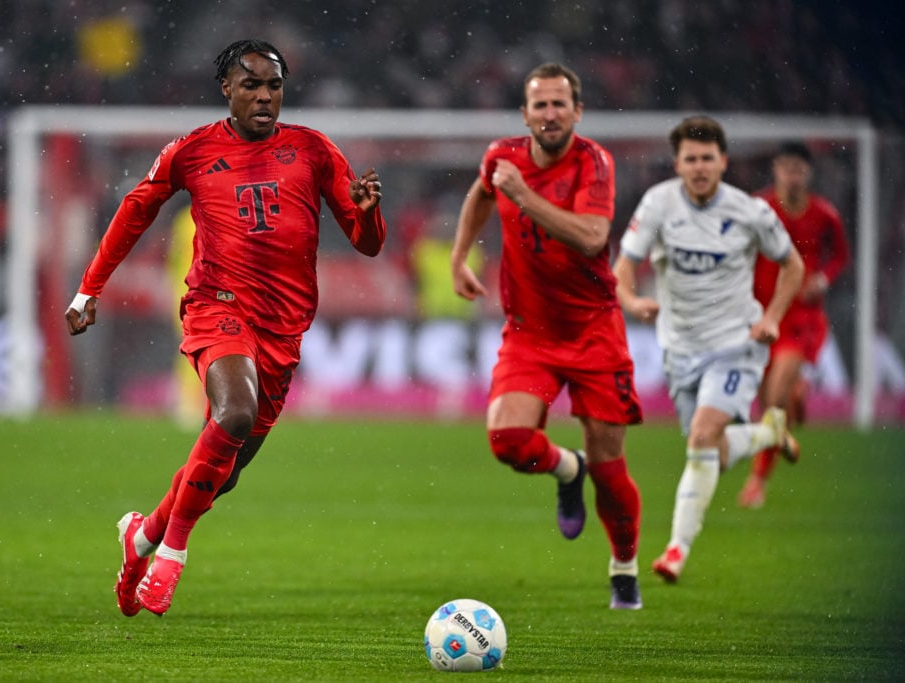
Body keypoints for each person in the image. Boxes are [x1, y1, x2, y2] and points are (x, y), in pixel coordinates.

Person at [65, 39, 386, 616]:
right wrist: (90, 288)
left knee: (224, 475)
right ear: (227, 90)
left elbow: (368, 245)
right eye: (252, 85)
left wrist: (367, 214)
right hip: (218, 307)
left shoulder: (312, 150)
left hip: (284, 329)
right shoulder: (192, 151)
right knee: (233, 412)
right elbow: (136, 210)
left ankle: (141, 537)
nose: (265, 97)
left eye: (274, 86)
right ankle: (172, 556)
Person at [450, 63, 645, 610]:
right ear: (525, 114)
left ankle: (624, 565)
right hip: (529, 332)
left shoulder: (594, 163)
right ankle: (567, 467)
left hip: (594, 331)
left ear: (577, 112)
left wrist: (526, 197)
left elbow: (592, 236)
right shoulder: (502, 157)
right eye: (541, 105)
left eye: (561, 104)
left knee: (611, 471)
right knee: (506, 442)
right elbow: (482, 193)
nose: (551, 114)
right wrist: (459, 253)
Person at [612, 115, 805, 584]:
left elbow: (792, 265)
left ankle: (676, 550)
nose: (699, 167)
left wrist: (771, 318)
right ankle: (767, 435)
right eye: (690, 159)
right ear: (677, 164)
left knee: (701, 437)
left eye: (707, 158)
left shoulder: (750, 211)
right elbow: (623, 267)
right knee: (711, 454)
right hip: (680, 349)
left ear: (723, 161)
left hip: (736, 344)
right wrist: (633, 300)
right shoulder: (658, 204)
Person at [737, 141, 850, 509]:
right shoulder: (758, 208)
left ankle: (757, 483)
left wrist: (824, 279)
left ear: (808, 174)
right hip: (762, 315)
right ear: (775, 169)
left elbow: (841, 256)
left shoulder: (824, 214)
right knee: (766, 403)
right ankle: (794, 400)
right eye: (786, 167)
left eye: (799, 169)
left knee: (773, 399)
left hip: (801, 316)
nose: (792, 175)